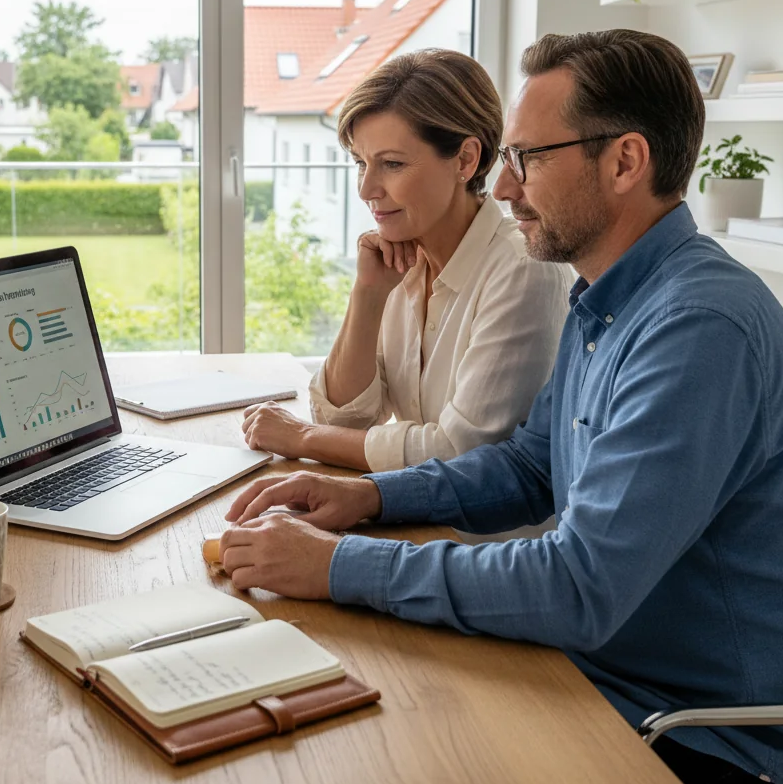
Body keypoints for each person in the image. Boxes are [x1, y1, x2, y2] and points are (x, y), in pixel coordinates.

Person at [219, 30, 783, 784]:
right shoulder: (607, 301)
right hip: (608, 678)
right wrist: (366, 497)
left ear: (624, 162)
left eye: (528, 159)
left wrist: (340, 565)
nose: (504, 186)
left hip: (714, 744)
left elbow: (581, 587)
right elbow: (525, 466)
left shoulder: (698, 328)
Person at [241, 49, 569, 472]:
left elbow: (459, 452)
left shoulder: (523, 267)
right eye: (361, 163)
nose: (366, 189)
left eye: (391, 164)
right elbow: (342, 418)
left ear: (466, 161)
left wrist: (303, 437)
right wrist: (369, 295)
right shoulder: (400, 260)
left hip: (476, 537)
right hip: (410, 521)